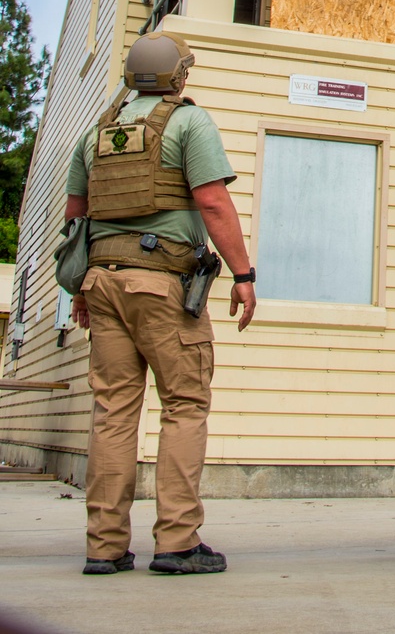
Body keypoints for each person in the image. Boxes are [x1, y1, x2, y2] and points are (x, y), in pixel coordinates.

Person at [64, 30, 256, 576]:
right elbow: (213, 202)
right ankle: (176, 543)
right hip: (162, 283)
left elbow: (76, 214)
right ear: (178, 77)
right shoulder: (188, 122)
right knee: (184, 404)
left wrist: (79, 286)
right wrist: (243, 275)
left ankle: (104, 547)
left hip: (102, 281)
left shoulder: (96, 131)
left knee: (113, 412)